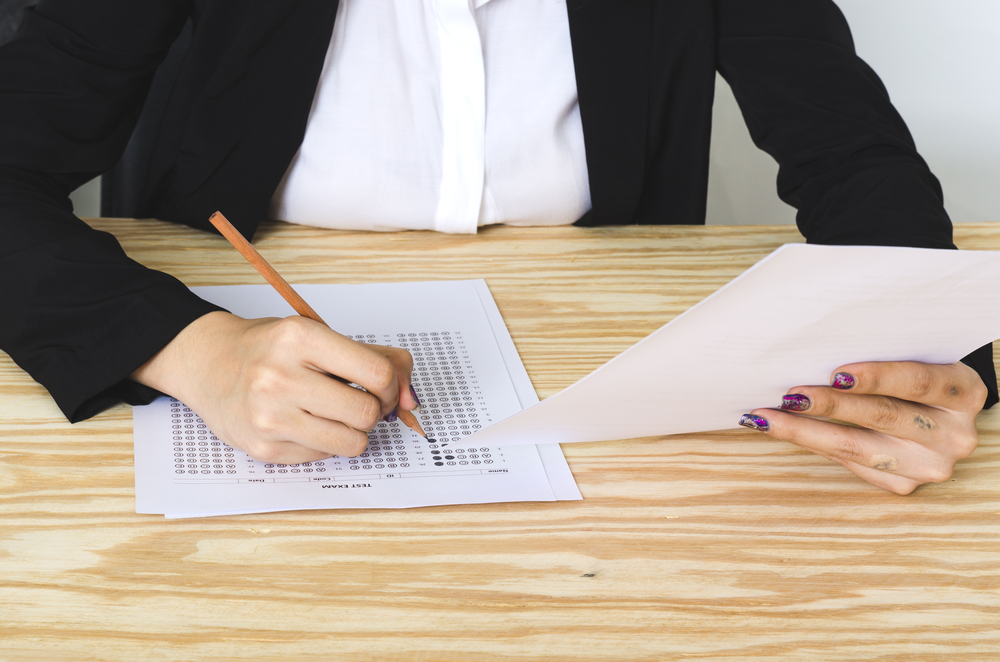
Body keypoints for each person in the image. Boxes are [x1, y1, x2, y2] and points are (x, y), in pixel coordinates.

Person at [0, 0, 995, 495]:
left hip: (592, 369)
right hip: (228, 338)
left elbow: (851, 156)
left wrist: (931, 362)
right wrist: (190, 348)